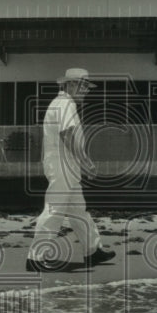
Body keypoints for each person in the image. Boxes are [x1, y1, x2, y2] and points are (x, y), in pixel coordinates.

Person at [26, 67, 115, 272]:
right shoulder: (65, 104)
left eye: (87, 87)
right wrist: (86, 161)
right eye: (83, 85)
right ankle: (35, 258)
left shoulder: (61, 104)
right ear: (71, 84)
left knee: (78, 211)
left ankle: (93, 251)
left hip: (64, 166)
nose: (86, 90)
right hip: (63, 166)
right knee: (55, 209)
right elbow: (67, 135)